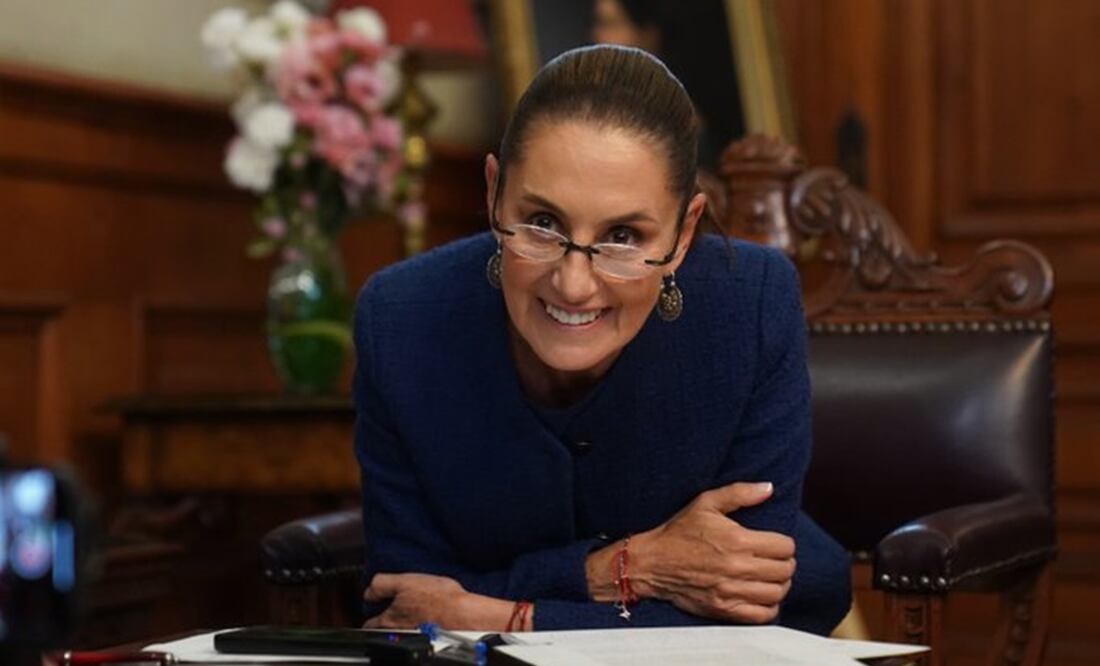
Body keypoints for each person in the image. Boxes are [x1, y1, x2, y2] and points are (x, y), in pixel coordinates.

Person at [355, 45, 849, 634]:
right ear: (493, 195)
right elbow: (407, 608)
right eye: (542, 223)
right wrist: (627, 569)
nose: (573, 283)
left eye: (622, 235)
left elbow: (742, 610)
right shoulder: (400, 318)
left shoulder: (751, 304)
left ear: (684, 233)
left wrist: (508, 614)